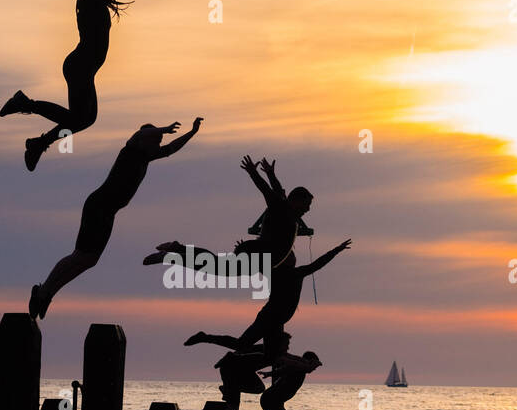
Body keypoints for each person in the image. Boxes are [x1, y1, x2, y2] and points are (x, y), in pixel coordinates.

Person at [28, 118, 202, 319]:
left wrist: (192, 132)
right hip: (98, 206)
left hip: (108, 212)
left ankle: (47, 294)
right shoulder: (130, 151)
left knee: (89, 260)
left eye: (159, 141)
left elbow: (172, 148)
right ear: (144, 140)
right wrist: (163, 128)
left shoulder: (146, 157)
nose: (158, 145)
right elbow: (140, 134)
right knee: (79, 255)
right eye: (156, 140)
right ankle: (42, 291)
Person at [0, 0, 129, 171]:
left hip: (84, 69)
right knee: (78, 118)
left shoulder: (96, 0)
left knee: (85, 119)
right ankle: (25, 106)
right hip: (79, 66)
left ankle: (38, 142)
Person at [141, 156, 313, 274]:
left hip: (258, 258)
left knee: (215, 263)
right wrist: (254, 173)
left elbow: (276, 190)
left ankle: (177, 249)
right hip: (256, 256)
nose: (308, 209)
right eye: (307, 204)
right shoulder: (282, 209)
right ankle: (171, 255)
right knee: (214, 265)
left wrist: (270, 173)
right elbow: (267, 191)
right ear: (296, 201)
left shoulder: (285, 208)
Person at [183, 239, 351, 354]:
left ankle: (239, 359)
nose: (291, 258)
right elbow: (317, 264)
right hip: (270, 317)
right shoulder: (277, 271)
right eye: (288, 256)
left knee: (272, 353)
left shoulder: (294, 272)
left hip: (278, 320)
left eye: (291, 255)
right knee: (242, 345)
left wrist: (335, 251)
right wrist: (244, 249)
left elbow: (316, 265)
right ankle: (205, 337)